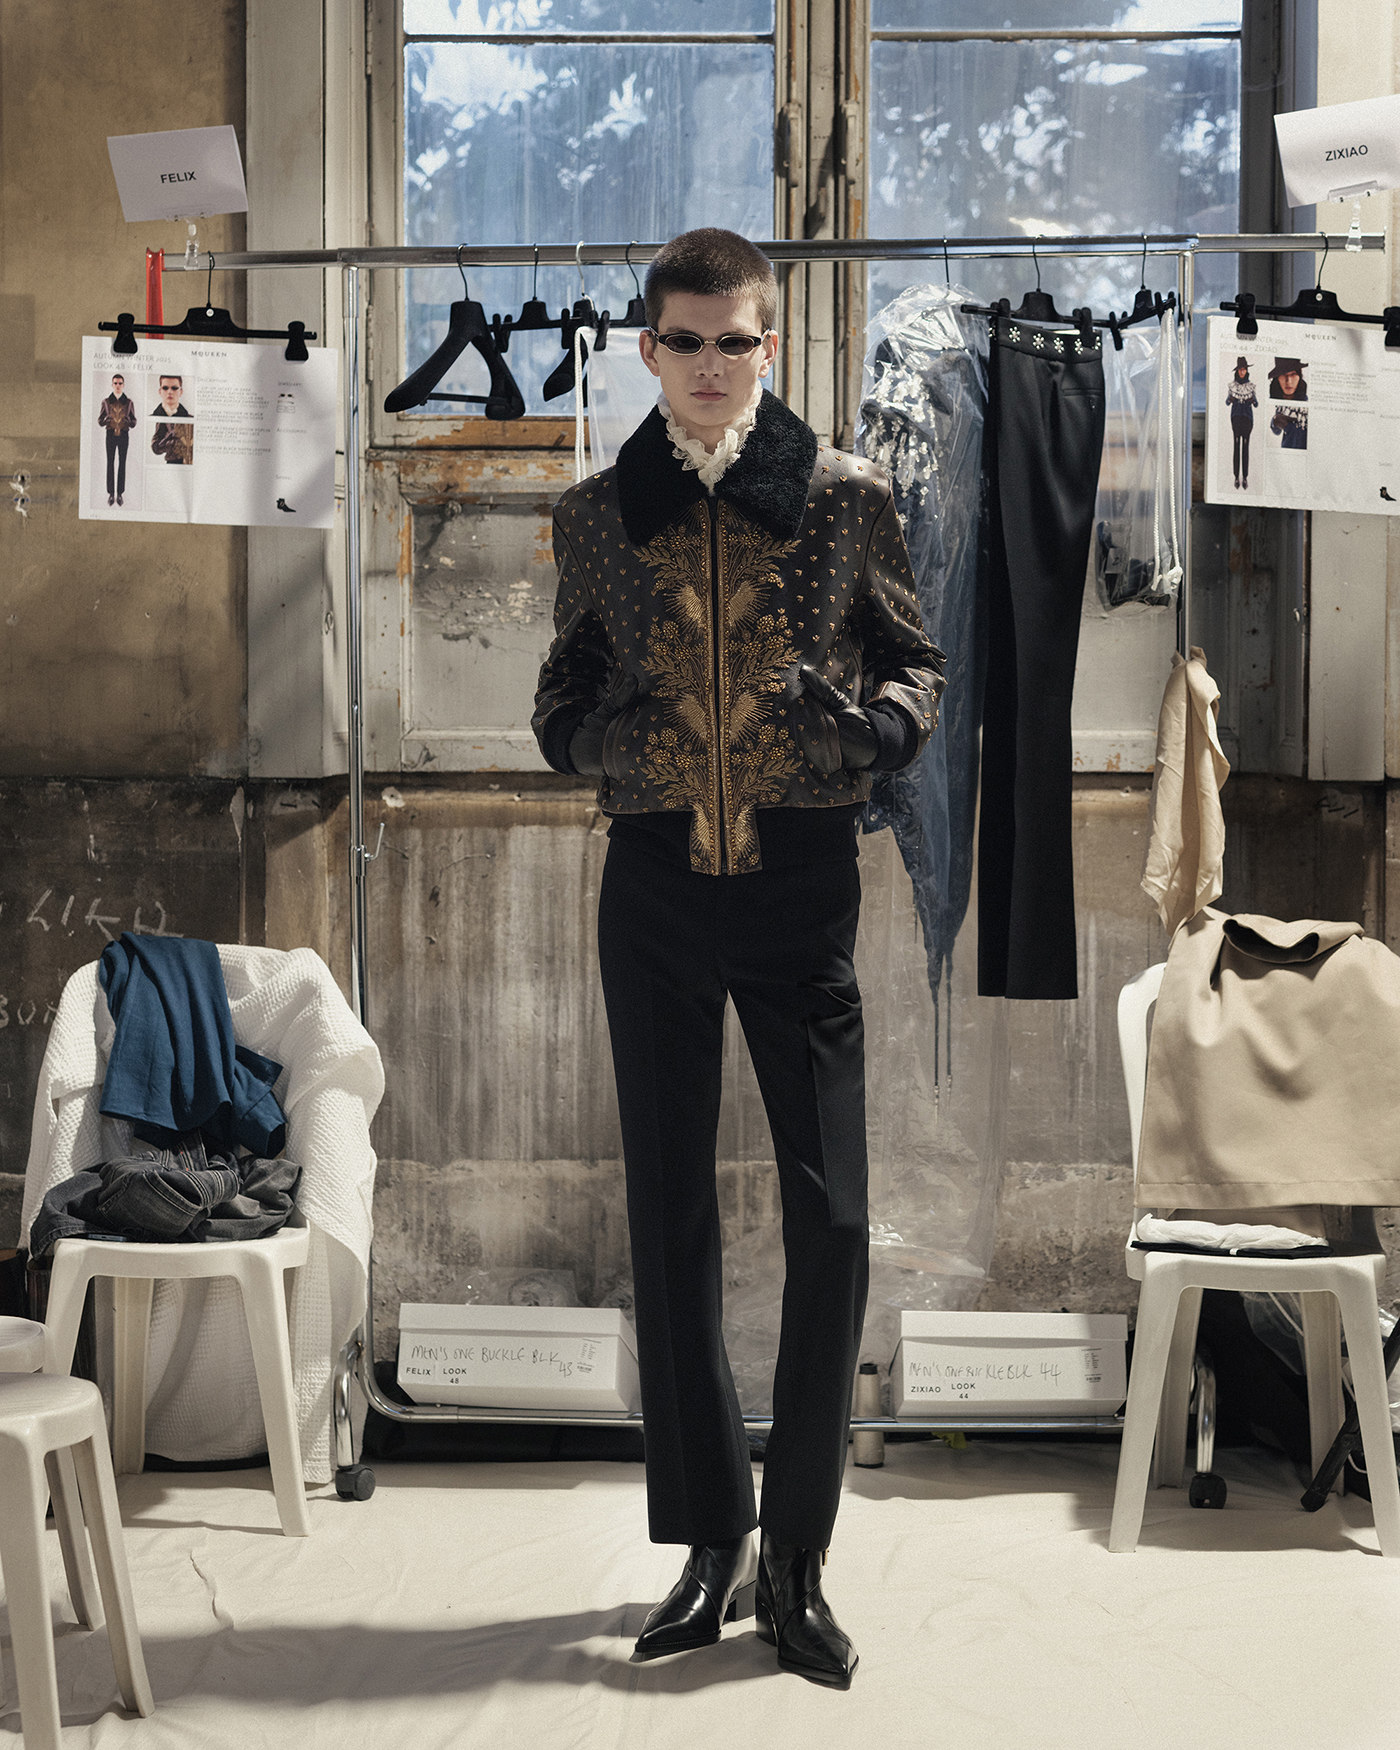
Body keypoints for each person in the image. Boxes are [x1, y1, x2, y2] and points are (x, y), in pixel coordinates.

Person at [533, 228, 944, 1689]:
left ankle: (799, 1558)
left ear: (770, 345)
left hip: (798, 885)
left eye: (738, 341)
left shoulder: (845, 498)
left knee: (832, 1216)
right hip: (650, 885)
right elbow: (562, 684)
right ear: (648, 348)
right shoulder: (597, 514)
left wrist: (873, 730)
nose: (712, 366)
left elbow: (916, 663)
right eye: (686, 341)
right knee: (669, 1214)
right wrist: (588, 736)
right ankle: (712, 1535)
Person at [97, 373, 136, 505]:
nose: (118, 386)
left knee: (122, 463)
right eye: (115, 383)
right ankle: (111, 494)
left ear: (123, 385)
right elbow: (100, 421)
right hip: (110, 434)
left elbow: (134, 422)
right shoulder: (106, 402)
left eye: (120, 383)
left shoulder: (129, 402)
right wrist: (107, 420)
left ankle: (120, 494)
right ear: (112, 385)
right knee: (110, 462)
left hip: (124, 435)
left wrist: (128, 421)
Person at [1225, 356, 1257, 489]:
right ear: (1237, 371)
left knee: (1245, 445)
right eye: (1240, 369)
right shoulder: (1233, 385)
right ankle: (1236, 476)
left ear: (1246, 370)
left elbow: (1256, 404)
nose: (1242, 372)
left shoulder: (1251, 386)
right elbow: (1227, 402)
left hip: (1247, 418)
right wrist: (1231, 399)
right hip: (1236, 417)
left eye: (1244, 369)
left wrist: (1252, 400)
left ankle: (1245, 477)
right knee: (1236, 443)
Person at [1268, 356, 1308, 450]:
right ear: (1277, 377)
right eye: (1283, 374)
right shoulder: (1278, 403)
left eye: (1293, 374)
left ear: (1299, 376)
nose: (1288, 381)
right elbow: (1276, 431)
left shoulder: (1307, 404)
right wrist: (1275, 421)